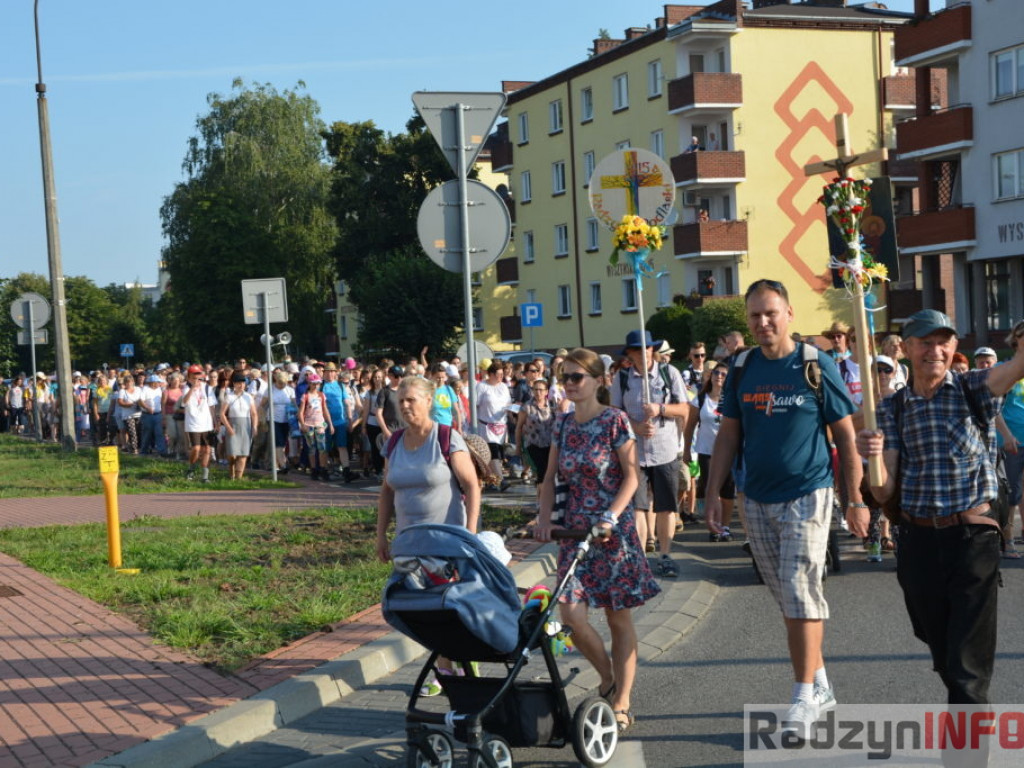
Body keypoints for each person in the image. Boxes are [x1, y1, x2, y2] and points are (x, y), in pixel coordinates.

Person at [704, 279, 865, 741]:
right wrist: (715, 493)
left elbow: (847, 437)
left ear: (790, 314)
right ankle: (820, 682)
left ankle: (801, 696)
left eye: (771, 313)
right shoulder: (741, 367)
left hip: (808, 492)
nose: (763, 322)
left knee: (799, 590)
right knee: (786, 597)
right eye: (755, 315)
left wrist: (853, 499)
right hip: (756, 496)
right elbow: (728, 434)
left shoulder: (816, 364)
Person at [857, 312, 1024, 711]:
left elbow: (1015, 369)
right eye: (925, 342)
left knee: (967, 668)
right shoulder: (892, 408)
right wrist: (873, 461)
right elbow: (884, 492)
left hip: (973, 538)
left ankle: (965, 749)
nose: (935, 350)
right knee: (943, 650)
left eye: (943, 342)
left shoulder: (973, 389)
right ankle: (967, 706)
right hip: (917, 541)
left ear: (953, 347)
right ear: (906, 349)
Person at [535, 348, 659, 736]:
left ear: (597, 381)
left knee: (617, 617)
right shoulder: (562, 424)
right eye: (565, 378)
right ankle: (608, 680)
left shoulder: (614, 420)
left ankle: (621, 701)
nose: (570, 384)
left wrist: (611, 515)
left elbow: (632, 476)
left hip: (612, 533)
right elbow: (550, 477)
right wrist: (542, 520)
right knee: (569, 615)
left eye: (577, 377)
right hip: (574, 533)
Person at [376, 375, 482, 696]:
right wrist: (381, 534)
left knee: (443, 608)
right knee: (418, 610)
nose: (405, 405)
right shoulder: (394, 443)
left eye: (412, 399)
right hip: (409, 544)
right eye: (401, 400)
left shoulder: (446, 438)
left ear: (428, 401)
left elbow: (472, 485)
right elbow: (385, 491)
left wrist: (470, 535)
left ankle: (446, 667)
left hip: (447, 542)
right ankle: (456, 659)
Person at [611, 329, 688, 578]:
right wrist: (634, 426)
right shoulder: (621, 378)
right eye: (637, 349)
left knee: (666, 507)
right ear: (630, 354)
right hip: (634, 452)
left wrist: (660, 408)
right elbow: (615, 414)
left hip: (665, 449)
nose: (642, 353)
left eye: (646, 348)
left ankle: (665, 555)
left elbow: (685, 409)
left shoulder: (669, 373)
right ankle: (641, 559)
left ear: (652, 349)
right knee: (638, 507)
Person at [683, 362, 735, 541]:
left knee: (728, 493)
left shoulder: (731, 398)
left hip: (729, 452)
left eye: (723, 374)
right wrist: (686, 451)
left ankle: (725, 527)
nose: (719, 376)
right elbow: (689, 427)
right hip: (706, 451)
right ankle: (715, 527)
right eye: (716, 373)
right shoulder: (700, 399)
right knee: (711, 491)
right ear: (710, 376)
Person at [476, 362, 512, 491]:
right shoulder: (482, 387)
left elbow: (508, 403)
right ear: (490, 374)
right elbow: (475, 404)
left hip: (501, 425)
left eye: (502, 374)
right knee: (493, 451)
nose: (501, 377)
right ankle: (501, 480)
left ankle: (492, 481)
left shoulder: (503, 387)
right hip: (486, 425)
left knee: (498, 454)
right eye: (498, 374)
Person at [516, 376, 555, 496]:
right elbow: (519, 427)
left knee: (548, 471)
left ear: (546, 392)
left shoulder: (552, 406)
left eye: (541, 390)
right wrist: (518, 447)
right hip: (533, 444)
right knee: (541, 469)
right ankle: (541, 499)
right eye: (535, 389)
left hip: (549, 444)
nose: (538, 392)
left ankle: (544, 497)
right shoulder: (526, 407)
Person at [179, 363, 218, 483]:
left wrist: (215, 422)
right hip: (193, 423)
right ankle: (191, 469)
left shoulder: (207, 388)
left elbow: (212, 406)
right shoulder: (185, 388)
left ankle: (205, 476)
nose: (196, 379)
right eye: (193, 377)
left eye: (198, 376)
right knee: (196, 448)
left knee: (207, 449)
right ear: (189, 377)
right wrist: (192, 388)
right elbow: (183, 403)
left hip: (206, 423)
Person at [219, 372, 258, 480]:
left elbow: (254, 413)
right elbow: (222, 414)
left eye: (243, 383)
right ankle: (231, 467)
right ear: (234, 384)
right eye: (238, 383)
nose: (241, 385)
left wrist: (254, 426)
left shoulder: (248, 397)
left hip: (246, 425)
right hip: (233, 424)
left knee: (243, 453)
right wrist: (228, 427)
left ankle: (238, 478)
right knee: (232, 453)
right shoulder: (229, 396)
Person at [297, 372, 334, 481]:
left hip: (320, 424)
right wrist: (303, 424)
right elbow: (300, 412)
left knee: (322, 448)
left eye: (318, 384)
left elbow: (325, 410)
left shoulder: (321, 395)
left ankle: (323, 469)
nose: (316, 386)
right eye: (313, 384)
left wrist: (330, 424)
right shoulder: (306, 396)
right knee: (311, 448)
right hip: (309, 424)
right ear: (309, 384)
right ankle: (314, 469)